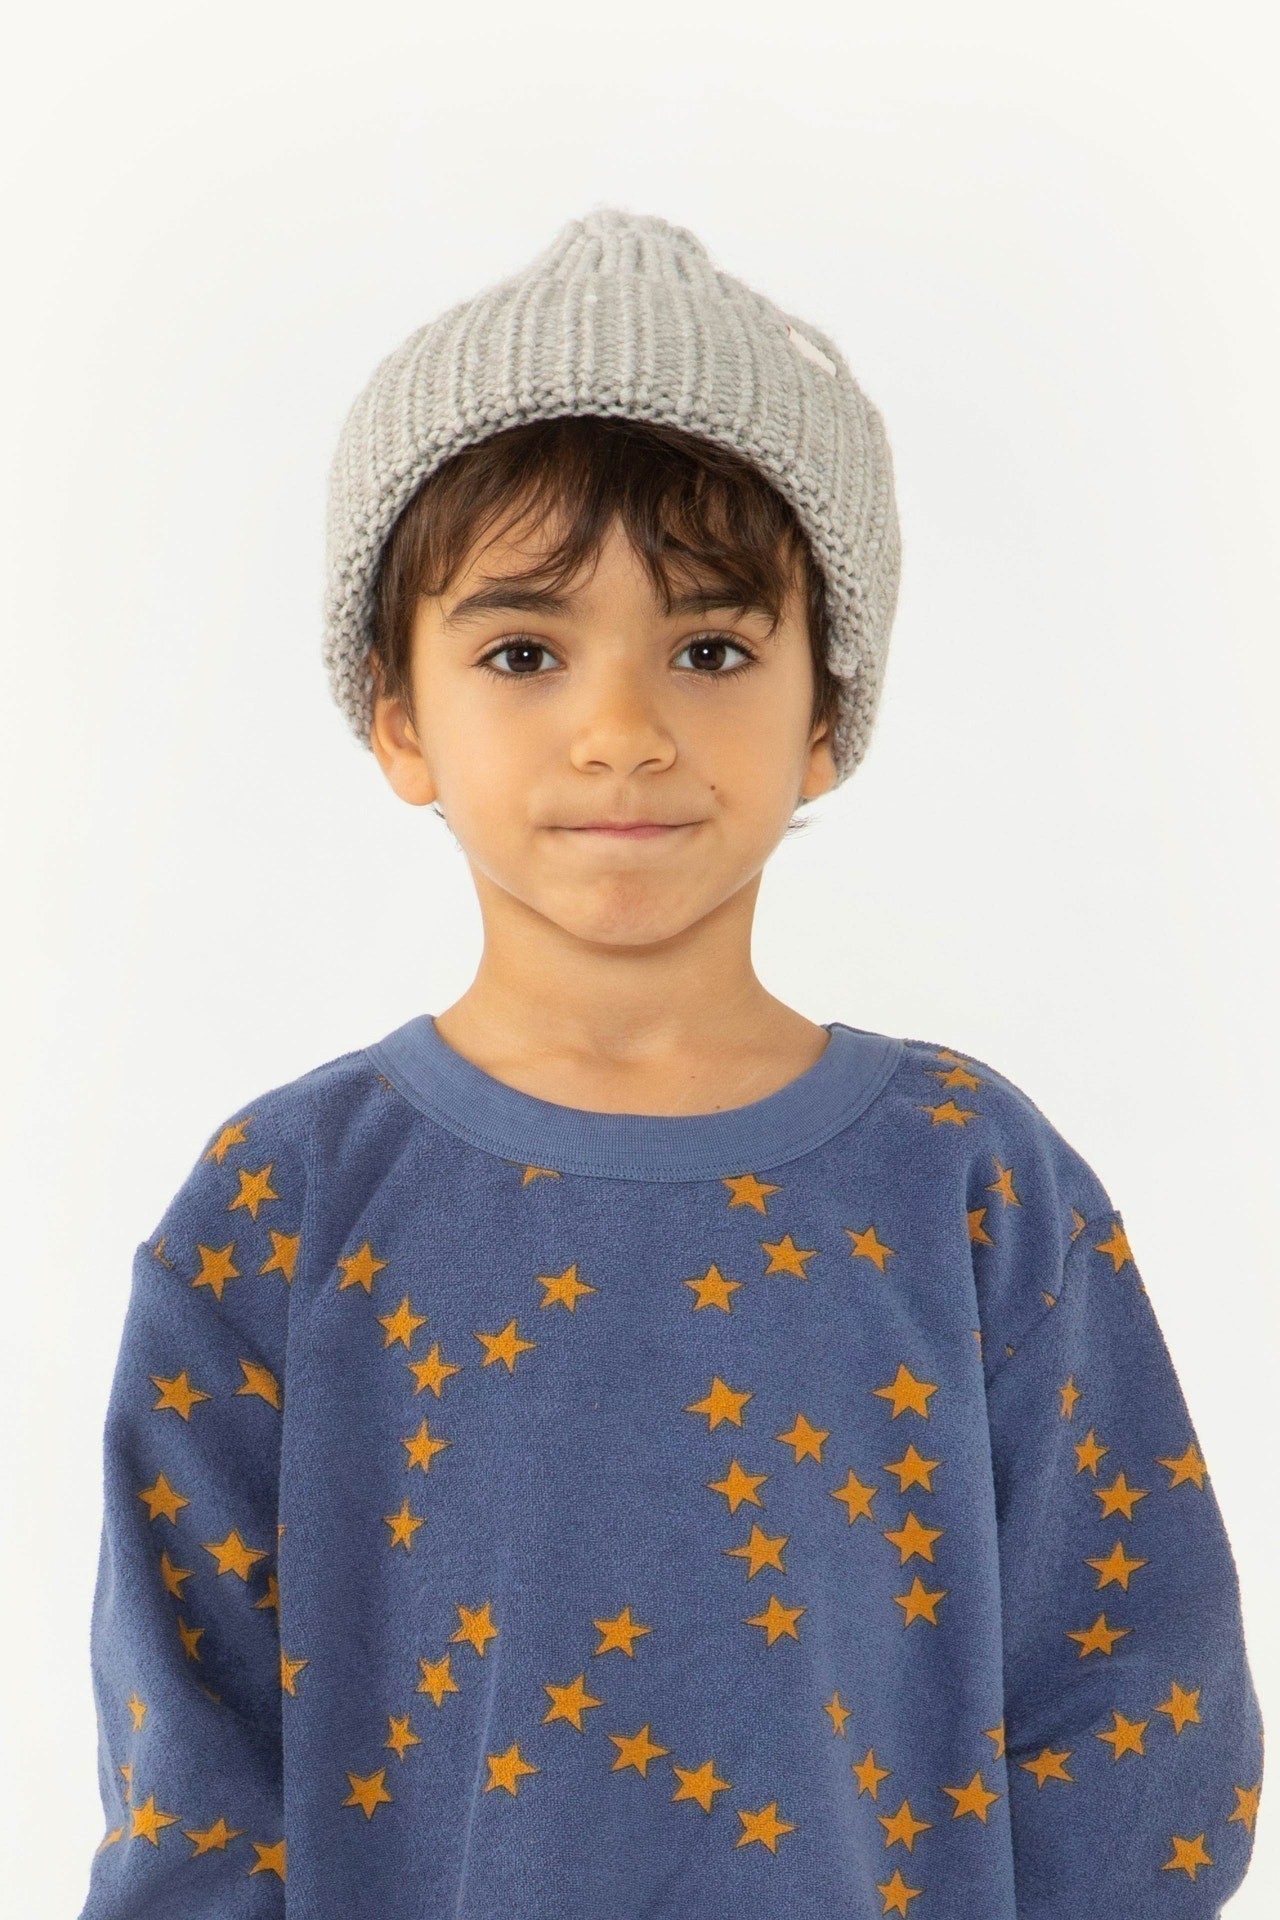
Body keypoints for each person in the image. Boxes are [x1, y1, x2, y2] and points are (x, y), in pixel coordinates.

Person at [75, 207, 1263, 1918]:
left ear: (826, 713)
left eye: (711, 650)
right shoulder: (282, 1207)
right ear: (398, 714)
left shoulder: (972, 1182)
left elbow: (1141, 1701)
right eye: (522, 653)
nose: (622, 729)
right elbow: (189, 1765)